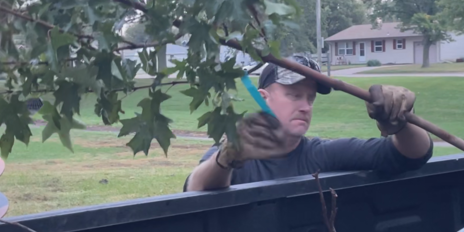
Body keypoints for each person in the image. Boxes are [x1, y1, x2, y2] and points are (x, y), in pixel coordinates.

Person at [184, 55, 433, 191]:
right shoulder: (234, 155)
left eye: (310, 98)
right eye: (294, 95)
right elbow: (194, 188)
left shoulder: (321, 155)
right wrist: (225, 159)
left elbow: (414, 155)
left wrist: (401, 123)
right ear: (264, 99)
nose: (305, 106)